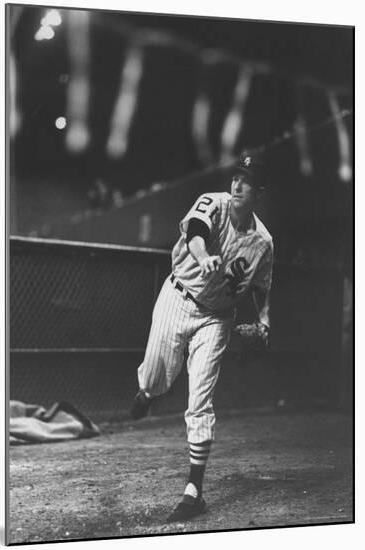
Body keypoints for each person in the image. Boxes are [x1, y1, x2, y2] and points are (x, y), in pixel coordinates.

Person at [130, 155, 273, 522]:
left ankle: (194, 491)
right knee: (157, 378)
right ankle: (147, 392)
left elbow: (261, 286)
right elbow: (195, 230)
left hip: (217, 318)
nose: (237, 185)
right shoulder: (214, 202)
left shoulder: (263, 243)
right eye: (236, 177)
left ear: (259, 192)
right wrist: (204, 254)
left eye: (247, 181)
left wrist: (264, 319)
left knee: (200, 399)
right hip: (179, 297)